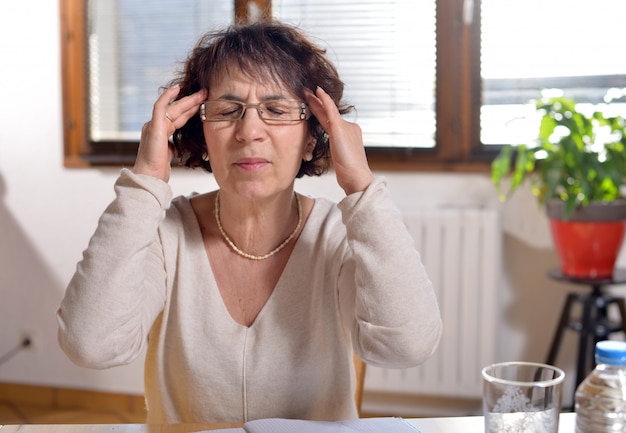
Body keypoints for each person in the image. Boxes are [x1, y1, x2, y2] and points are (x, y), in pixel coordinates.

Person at [57, 20, 442, 424]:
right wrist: (146, 180)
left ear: (313, 137)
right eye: (227, 110)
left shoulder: (338, 237)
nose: (249, 131)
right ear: (203, 135)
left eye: (275, 110)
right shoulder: (164, 233)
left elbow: (408, 347)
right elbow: (90, 345)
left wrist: (361, 185)